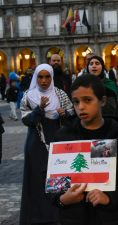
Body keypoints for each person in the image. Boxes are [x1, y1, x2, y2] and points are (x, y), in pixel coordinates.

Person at [49, 74, 118, 225]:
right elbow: (50, 178)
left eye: (87, 100)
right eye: (76, 102)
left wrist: (110, 198)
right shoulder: (63, 136)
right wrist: (61, 199)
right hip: (73, 217)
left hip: (111, 218)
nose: (81, 107)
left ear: (102, 100)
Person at [19, 64, 74, 225]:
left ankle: (57, 212)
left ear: (51, 77)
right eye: (40, 77)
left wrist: (66, 113)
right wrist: (39, 109)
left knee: (57, 177)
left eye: (47, 77)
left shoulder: (60, 94)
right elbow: (26, 120)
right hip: (36, 144)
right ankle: (37, 215)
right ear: (36, 78)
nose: (44, 81)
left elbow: (71, 111)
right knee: (37, 179)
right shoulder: (29, 96)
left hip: (58, 143)